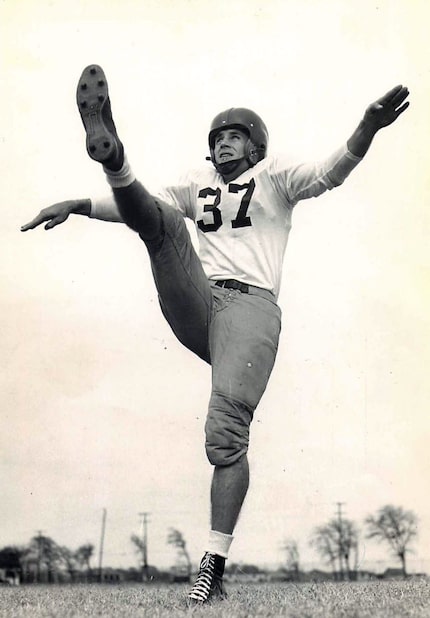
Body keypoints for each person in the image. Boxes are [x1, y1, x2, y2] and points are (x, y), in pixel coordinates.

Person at [21, 65, 409, 603]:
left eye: (234, 136)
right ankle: (113, 156)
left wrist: (367, 126)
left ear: (255, 149)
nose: (224, 144)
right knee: (162, 223)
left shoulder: (275, 178)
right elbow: (143, 209)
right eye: (217, 138)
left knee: (224, 436)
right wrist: (80, 205)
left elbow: (330, 172)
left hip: (250, 310)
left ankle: (213, 564)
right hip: (203, 302)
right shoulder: (196, 183)